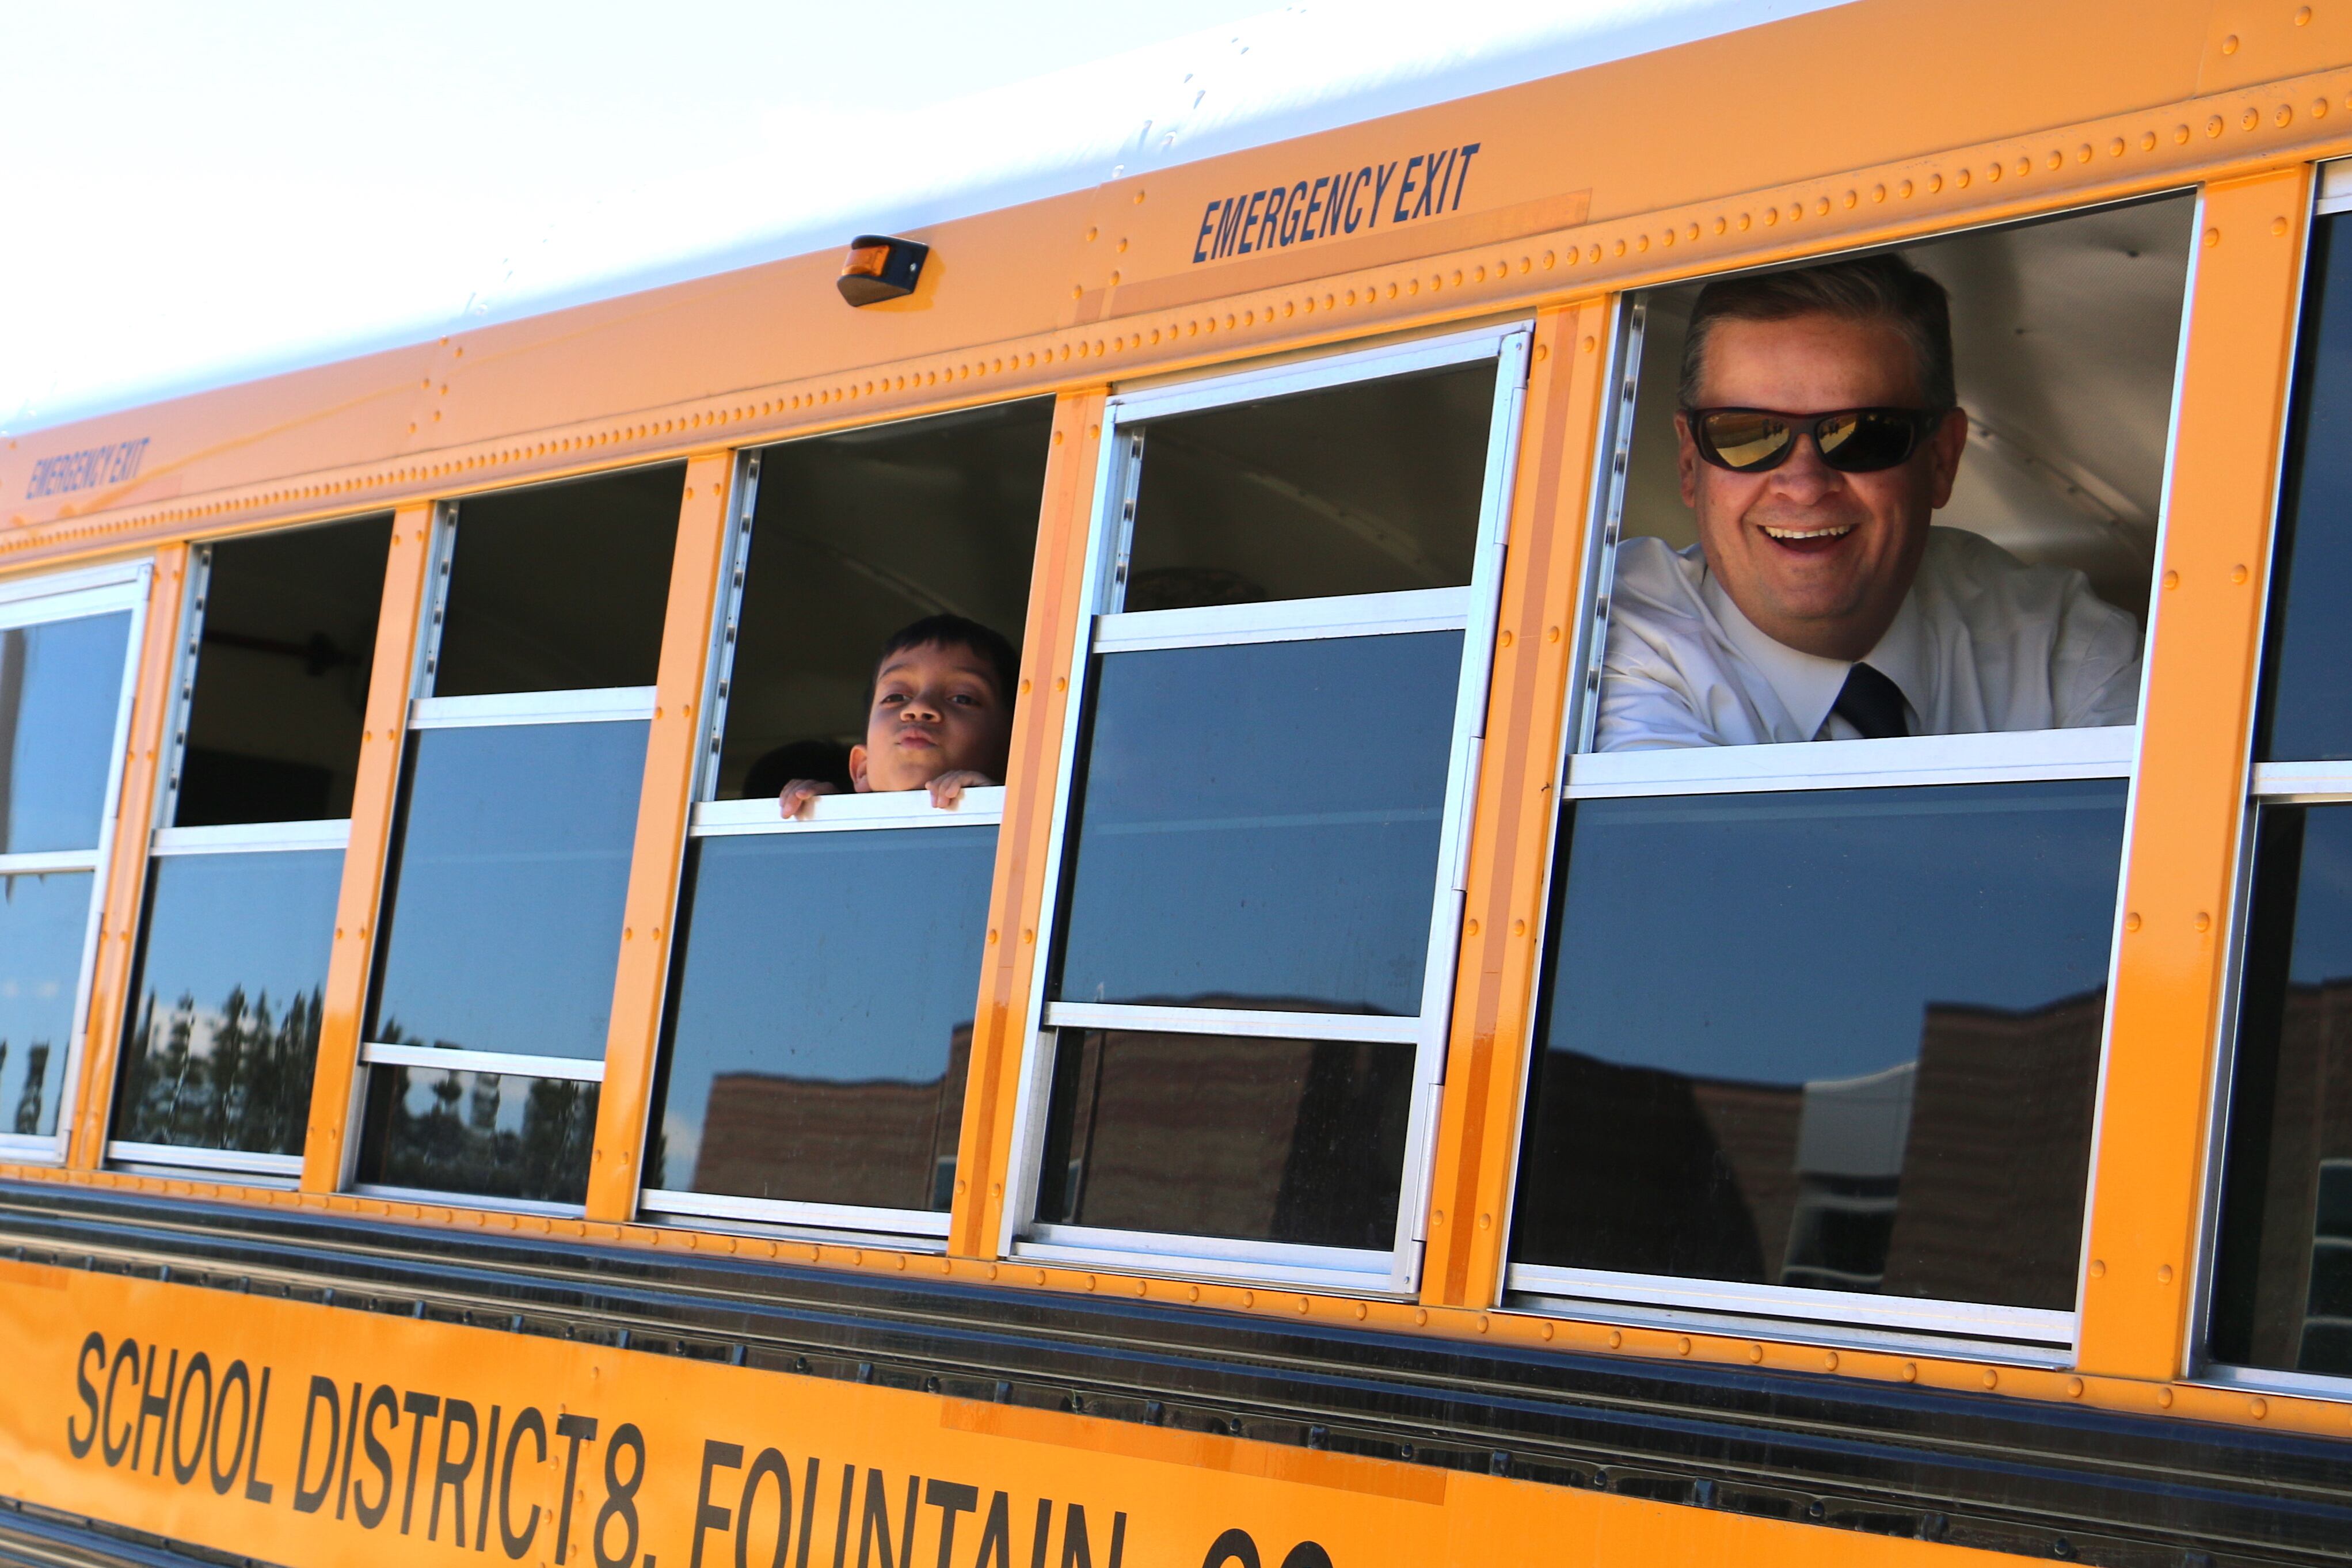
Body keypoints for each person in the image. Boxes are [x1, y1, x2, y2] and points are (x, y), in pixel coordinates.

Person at [1597, 254, 2142, 749]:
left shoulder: (2055, 644)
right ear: (1691, 463)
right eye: (1747, 434)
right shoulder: (1599, 647)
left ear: (1941, 460)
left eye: (1861, 435)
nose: (1805, 484)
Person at [777, 614, 1018, 817]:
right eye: (895, 697)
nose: (919, 708)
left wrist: (994, 810)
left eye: (962, 698)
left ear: (1010, 760)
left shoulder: (1020, 844)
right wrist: (821, 821)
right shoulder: (836, 837)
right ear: (862, 769)